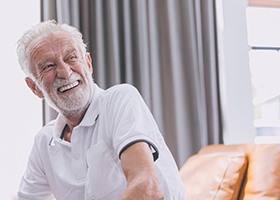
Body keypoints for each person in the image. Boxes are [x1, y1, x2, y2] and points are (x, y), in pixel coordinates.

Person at [16, 20, 186, 200]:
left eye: (71, 57)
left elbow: (147, 188)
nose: (65, 72)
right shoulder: (45, 142)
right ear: (34, 87)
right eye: (48, 66)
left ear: (88, 63)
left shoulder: (119, 99)